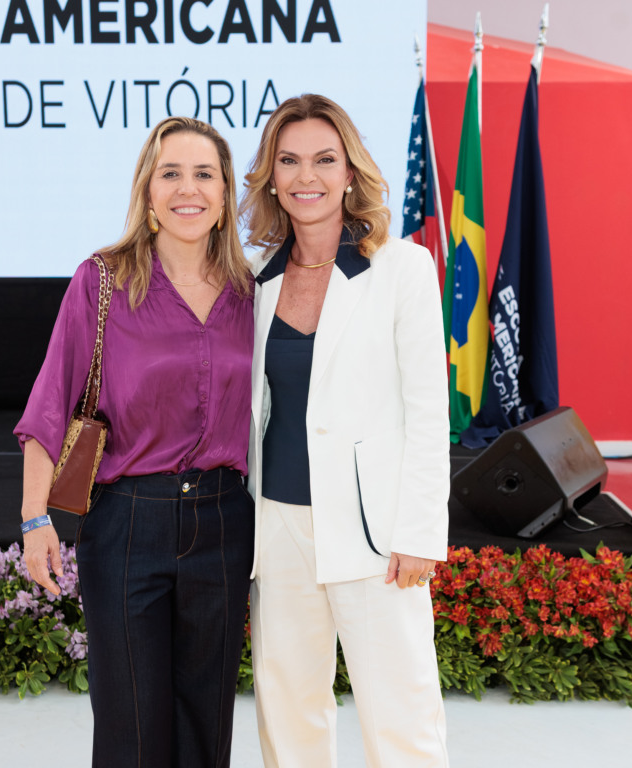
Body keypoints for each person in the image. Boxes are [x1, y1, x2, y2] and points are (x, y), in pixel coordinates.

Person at [14, 116, 255, 768]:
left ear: (227, 192)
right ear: (147, 192)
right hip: (127, 528)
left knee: (206, 729)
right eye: (170, 172)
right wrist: (36, 518)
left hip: (226, 522)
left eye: (204, 173)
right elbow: (47, 409)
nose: (188, 188)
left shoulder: (252, 293)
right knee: (133, 732)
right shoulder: (101, 282)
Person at [241, 94, 451, 767]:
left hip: (376, 534)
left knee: (402, 715)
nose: (309, 176)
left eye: (325, 159)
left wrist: (418, 534)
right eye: (291, 160)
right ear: (272, 177)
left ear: (351, 172)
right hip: (278, 530)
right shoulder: (256, 282)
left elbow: (428, 412)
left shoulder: (403, 267)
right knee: (289, 712)